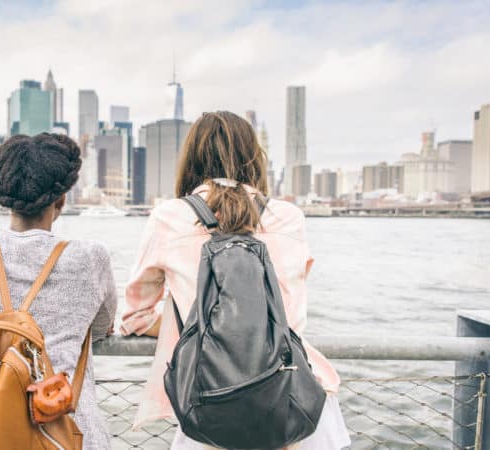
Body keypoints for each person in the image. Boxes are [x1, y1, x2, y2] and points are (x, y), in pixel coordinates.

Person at [120, 111, 350, 449]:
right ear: (254, 158)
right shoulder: (289, 217)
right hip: (297, 404)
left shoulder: (169, 217)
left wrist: (196, 321)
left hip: (212, 407)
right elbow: (291, 310)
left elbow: (134, 317)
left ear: (191, 159)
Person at [0, 133, 117, 450]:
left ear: (3, 196)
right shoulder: (91, 257)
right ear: (61, 199)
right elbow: (103, 326)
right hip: (66, 431)